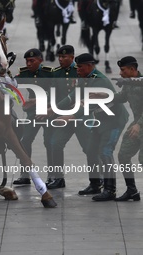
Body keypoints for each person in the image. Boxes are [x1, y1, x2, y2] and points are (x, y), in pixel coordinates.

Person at [55, 53, 129, 201]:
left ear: (90, 66)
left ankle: (110, 190)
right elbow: (74, 95)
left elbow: (88, 105)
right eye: (77, 67)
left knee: (105, 151)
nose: (78, 70)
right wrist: (54, 109)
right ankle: (95, 183)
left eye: (80, 67)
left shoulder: (99, 81)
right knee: (91, 149)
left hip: (114, 120)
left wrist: (71, 117)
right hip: (101, 118)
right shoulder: (86, 79)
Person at [45, 45, 98, 190]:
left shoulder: (81, 71)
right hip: (64, 117)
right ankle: (59, 179)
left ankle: (97, 181)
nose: (61, 60)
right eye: (59, 57)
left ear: (72, 57)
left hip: (81, 117)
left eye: (64, 57)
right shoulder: (56, 73)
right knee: (55, 144)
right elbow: (53, 94)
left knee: (89, 148)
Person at [93, 56, 142, 201]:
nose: (120, 73)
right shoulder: (129, 83)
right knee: (123, 155)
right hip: (137, 125)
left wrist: (139, 124)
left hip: (140, 124)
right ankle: (132, 190)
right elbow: (122, 97)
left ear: (132, 69)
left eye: (123, 70)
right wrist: (105, 95)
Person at [13, 48, 53, 185]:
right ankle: (25, 174)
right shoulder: (25, 73)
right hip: (33, 114)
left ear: (40, 61)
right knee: (25, 141)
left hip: (48, 112)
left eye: (32, 61)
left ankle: (53, 176)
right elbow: (12, 84)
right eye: (27, 61)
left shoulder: (49, 73)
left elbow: (55, 93)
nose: (29, 64)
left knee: (49, 142)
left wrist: (34, 101)